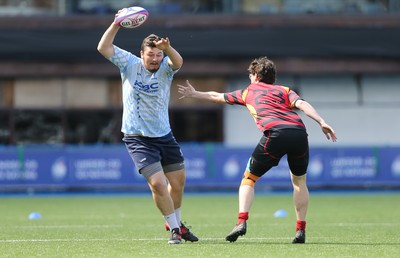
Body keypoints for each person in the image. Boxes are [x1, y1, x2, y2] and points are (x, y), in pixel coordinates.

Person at [177, 56, 337, 244]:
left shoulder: (248, 92)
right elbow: (302, 104)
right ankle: (300, 230)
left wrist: (194, 93)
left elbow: (217, 97)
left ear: (255, 75)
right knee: (299, 181)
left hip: (275, 134)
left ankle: (241, 221)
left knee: (249, 179)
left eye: (250, 75)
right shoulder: (284, 90)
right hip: (299, 133)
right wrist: (321, 121)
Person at [97, 8, 198, 244]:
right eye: (150, 55)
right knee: (158, 184)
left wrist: (167, 49)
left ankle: (177, 223)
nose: (155, 59)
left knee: (178, 183)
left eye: (158, 55)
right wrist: (117, 24)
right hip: (137, 137)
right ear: (141, 54)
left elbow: (178, 61)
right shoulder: (129, 63)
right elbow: (103, 48)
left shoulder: (165, 67)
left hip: (164, 135)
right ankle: (174, 229)